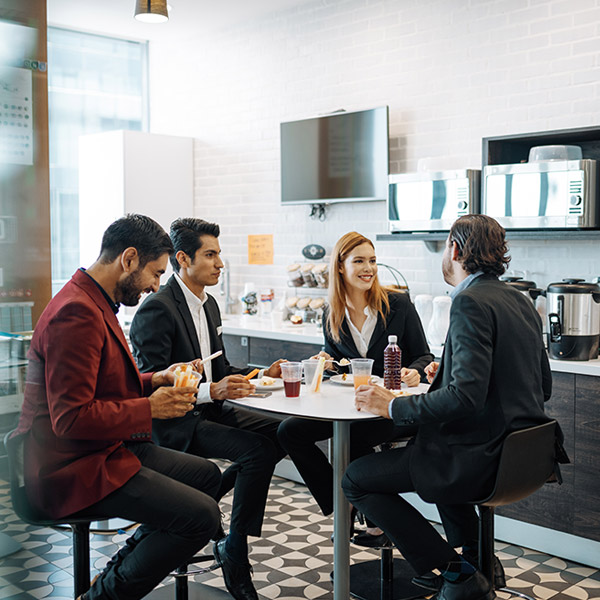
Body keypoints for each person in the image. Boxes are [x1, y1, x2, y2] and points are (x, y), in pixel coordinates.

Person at [12, 214, 224, 600]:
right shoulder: (76, 313)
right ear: (128, 259)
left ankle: (118, 570)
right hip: (67, 468)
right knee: (201, 518)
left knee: (208, 477)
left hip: (100, 449)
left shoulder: (93, 301)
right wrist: (151, 409)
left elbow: (100, 387)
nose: (155, 286)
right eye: (155, 274)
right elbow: (71, 418)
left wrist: (154, 379)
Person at [342, 215, 554, 600]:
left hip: (481, 458)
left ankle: (456, 572)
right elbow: (543, 385)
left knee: (356, 478)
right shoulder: (520, 301)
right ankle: (475, 553)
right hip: (524, 455)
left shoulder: (469, 302)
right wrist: (448, 373)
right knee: (430, 446)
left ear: (455, 249)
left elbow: (465, 398)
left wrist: (392, 406)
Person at [129, 217, 285, 600]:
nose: (220, 264)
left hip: (209, 411)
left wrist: (263, 373)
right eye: (210, 255)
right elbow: (152, 381)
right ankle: (235, 548)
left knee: (285, 433)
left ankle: (207, 498)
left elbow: (221, 369)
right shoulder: (158, 309)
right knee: (257, 451)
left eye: (219, 254)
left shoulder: (210, 305)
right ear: (183, 259)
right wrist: (209, 391)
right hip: (175, 422)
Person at [277, 231, 433, 545]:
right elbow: (335, 357)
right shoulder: (330, 312)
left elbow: (424, 355)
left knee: (352, 439)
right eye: (359, 260)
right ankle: (341, 503)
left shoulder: (398, 304)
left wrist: (415, 371)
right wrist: (326, 360)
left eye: (373, 260)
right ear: (340, 266)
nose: (369, 268)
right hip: (350, 404)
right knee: (288, 432)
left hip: (387, 408)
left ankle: (363, 513)